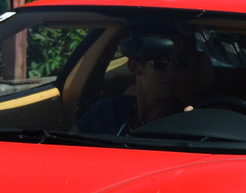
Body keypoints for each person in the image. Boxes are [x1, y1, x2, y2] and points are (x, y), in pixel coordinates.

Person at [76, 30, 206, 135]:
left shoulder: (187, 125)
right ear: (135, 67)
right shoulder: (106, 111)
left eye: (180, 60)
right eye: (162, 61)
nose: (173, 70)